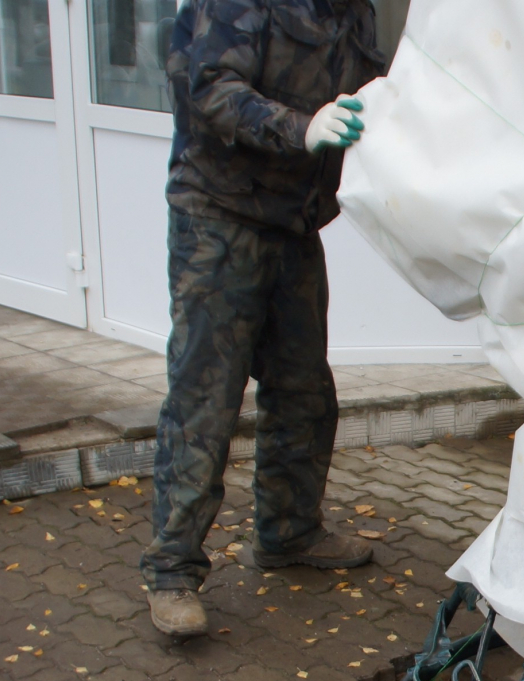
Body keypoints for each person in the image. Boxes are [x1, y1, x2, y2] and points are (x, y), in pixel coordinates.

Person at [142, 0, 387, 638]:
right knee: (206, 399)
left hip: (294, 222)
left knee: (304, 388)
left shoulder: (355, 11)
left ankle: (289, 532)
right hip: (218, 216)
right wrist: (301, 127)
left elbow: (379, 93)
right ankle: (172, 571)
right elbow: (210, 87)